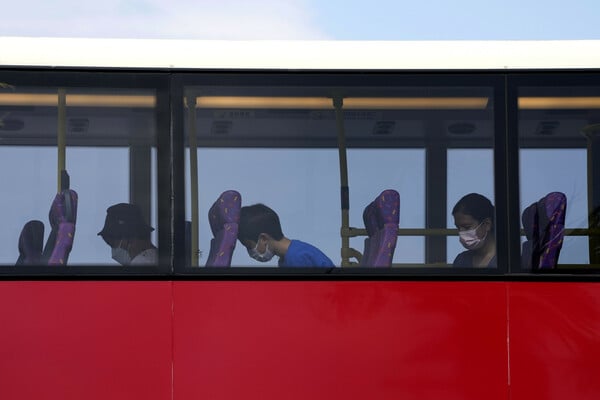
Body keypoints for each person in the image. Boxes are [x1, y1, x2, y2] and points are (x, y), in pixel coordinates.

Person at [237, 203, 334, 267]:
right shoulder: (289, 256)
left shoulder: (296, 258)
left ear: (263, 239)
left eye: (249, 246)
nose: (250, 252)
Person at [451, 193, 496, 268]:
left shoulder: (505, 261)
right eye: (458, 228)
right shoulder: (461, 260)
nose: (461, 233)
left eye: (467, 227)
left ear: (487, 224)